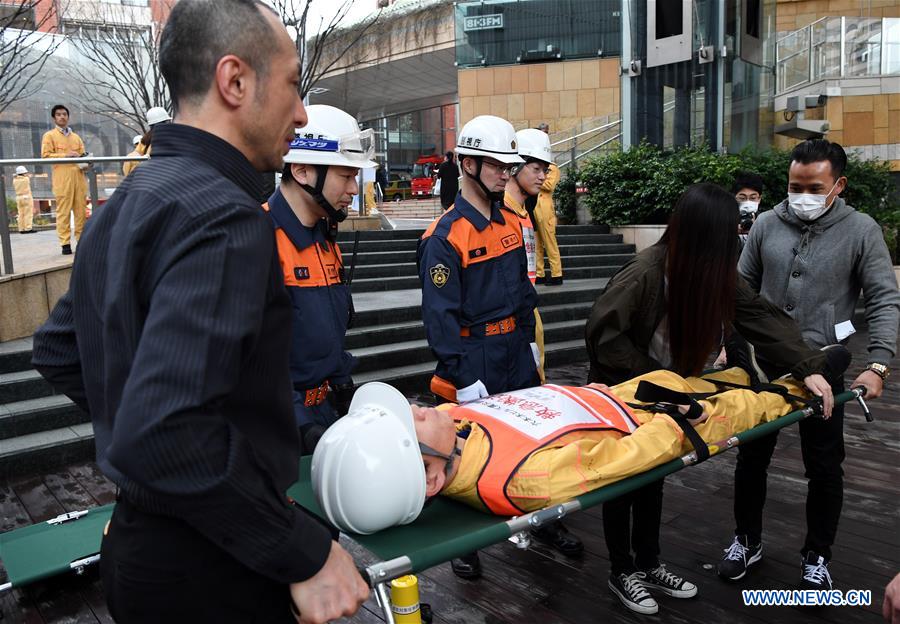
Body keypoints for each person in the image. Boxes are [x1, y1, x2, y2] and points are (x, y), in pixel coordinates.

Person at [30, 1, 368, 622]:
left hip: (146, 552)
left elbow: (59, 350)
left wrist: (136, 428)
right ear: (234, 81)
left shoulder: (130, 198)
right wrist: (303, 552)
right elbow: (164, 427)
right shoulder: (226, 218)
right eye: (293, 85)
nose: (299, 112)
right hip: (213, 568)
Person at [584, 182, 838, 615]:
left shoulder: (717, 275)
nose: (734, 240)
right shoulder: (646, 272)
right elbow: (603, 336)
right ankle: (622, 571)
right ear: (704, 234)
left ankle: (649, 563)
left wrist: (809, 366)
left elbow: (760, 318)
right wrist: (658, 380)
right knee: (623, 479)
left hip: (671, 391)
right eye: (726, 233)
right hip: (623, 388)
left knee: (655, 472)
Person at [311, 341, 850, 544]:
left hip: (612, 400)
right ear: (430, 480)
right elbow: (632, 458)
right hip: (650, 420)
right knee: (749, 403)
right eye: (414, 418)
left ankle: (747, 374)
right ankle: (800, 380)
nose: (420, 406)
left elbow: (462, 417)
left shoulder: (451, 438)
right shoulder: (526, 480)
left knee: (712, 380)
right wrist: (684, 420)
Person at [719, 139, 900, 591]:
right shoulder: (766, 223)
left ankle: (817, 554)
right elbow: (740, 288)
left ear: (838, 185)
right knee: (751, 457)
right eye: (794, 186)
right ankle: (747, 539)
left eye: (814, 187)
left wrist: (878, 363)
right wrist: (730, 343)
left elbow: (884, 297)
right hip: (765, 365)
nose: (802, 195)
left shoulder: (861, 230)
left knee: (823, 466)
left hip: (826, 363)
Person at [417, 115, 539, 579]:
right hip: (475, 356)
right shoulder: (445, 237)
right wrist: (462, 377)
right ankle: (463, 544)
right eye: (495, 165)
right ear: (467, 163)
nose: (505, 173)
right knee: (463, 455)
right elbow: (440, 318)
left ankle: (538, 519)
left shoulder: (512, 221)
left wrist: (529, 345)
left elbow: (526, 293)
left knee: (526, 442)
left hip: (513, 348)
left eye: (509, 165)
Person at [266, 104, 375, 453]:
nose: (354, 188)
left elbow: (328, 338)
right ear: (301, 171)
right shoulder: (257, 241)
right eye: (345, 175)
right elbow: (254, 366)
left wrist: (346, 395)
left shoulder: (325, 241)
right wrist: (304, 430)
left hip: (325, 414)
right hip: (280, 429)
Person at [502, 126, 584, 556]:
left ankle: (539, 514)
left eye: (545, 167)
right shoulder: (500, 213)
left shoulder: (524, 212)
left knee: (534, 420)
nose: (543, 175)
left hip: (527, 320)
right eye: (536, 167)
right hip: (506, 329)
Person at [41, 104, 88, 255]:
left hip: (79, 178)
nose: (62, 117)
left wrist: (86, 162)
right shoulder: (49, 136)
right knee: (63, 212)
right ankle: (65, 243)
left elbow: (82, 155)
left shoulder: (76, 137)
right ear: (54, 118)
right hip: (62, 178)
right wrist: (65, 155)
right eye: (59, 114)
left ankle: (81, 242)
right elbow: (46, 156)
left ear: (68, 117)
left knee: (81, 211)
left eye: (64, 114)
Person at [532, 122, 563, 285]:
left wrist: (532, 178)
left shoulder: (552, 168)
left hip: (545, 207)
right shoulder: (537, 168)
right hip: (534, 206)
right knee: (537, 243)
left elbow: (549, 185)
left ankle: (556, 274)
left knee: (549, 242)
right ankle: (540, 273)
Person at [733, 171, 764, 245]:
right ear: (734, 197)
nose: (748, 203)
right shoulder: (725, 219)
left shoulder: (765, 222)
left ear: (759, 199)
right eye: (742, 198)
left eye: (753, 198)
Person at [13, 166, 35, 234]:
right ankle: (28, 228)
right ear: (23, 173)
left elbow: (16, 176)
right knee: (28, 213)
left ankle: (21, 229)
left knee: (20, 214)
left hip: (18, 198)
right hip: (26, 197)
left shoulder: (14, 180)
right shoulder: (26, 179)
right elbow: (28, 176)